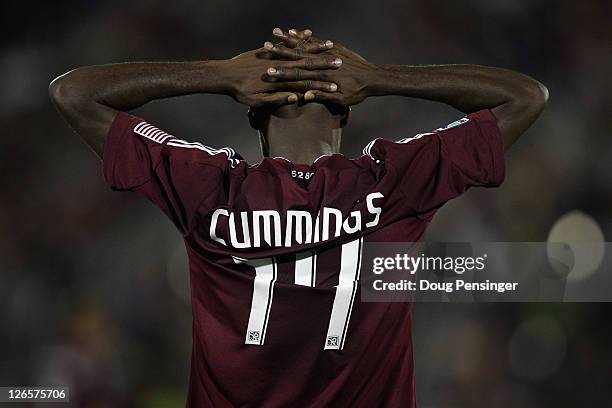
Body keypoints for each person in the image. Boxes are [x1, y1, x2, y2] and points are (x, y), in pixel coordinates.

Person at [49, 27, 548, 407]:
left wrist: (220, 74)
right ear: (348, 110)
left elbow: (73, 93)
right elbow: (525, 97)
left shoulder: (206, 185)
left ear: (253, 111)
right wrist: (380, 78)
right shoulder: (394, 181)